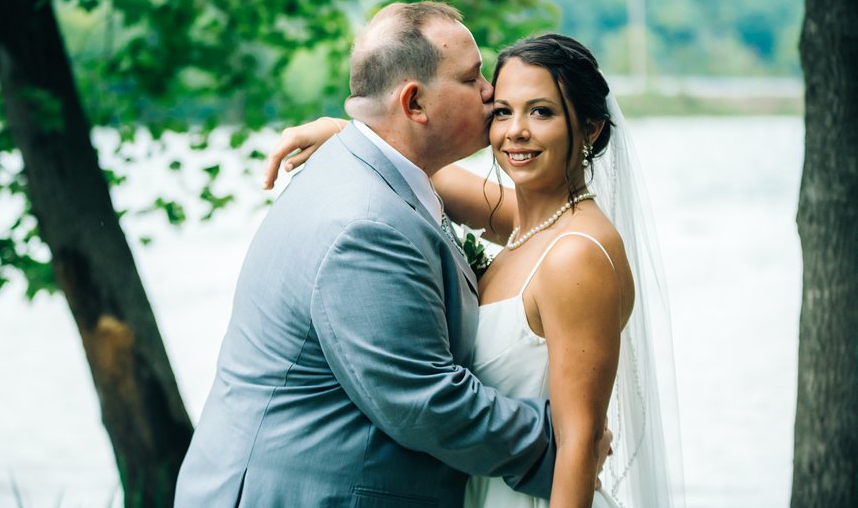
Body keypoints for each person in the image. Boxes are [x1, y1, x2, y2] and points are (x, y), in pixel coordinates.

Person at [175, 2, 572, 507]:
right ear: (414, 104)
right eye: (473, 79)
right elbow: (424, 402)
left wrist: (347, 130)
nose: (491, 93)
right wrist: (562, 442)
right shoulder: (366, 224)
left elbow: (537, 224)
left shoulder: (363, 169)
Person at [267, 34, 684, 507]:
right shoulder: (529, 228)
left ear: (589, 129)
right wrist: (350, 135)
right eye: (503, 111)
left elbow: (579, 444)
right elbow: (415, 168)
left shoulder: (576, 254)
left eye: (542, 112)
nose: (516, 131)